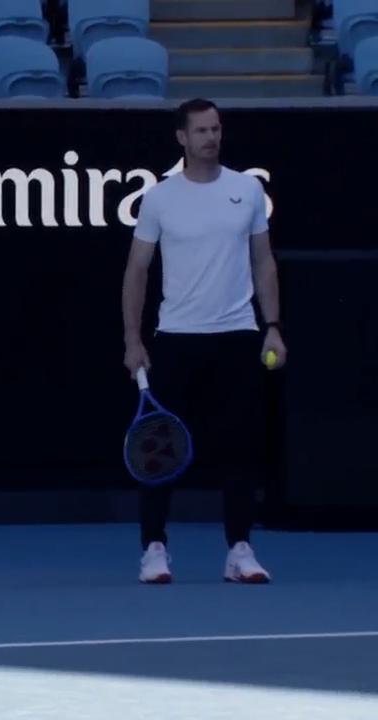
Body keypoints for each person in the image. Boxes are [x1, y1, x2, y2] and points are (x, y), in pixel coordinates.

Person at [121, 98, 287, 585]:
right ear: (182, 138)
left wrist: (272, 324)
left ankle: (239, 550)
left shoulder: (248, 190)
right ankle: (154, 549)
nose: (211, 137)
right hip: (176, 339)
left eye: (216, 129)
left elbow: (263, 262)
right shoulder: (159, 198)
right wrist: (133, 340)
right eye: (201, 131)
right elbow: (137, 271)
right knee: (159, 450)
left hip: (237, 337)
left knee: (240, 450)